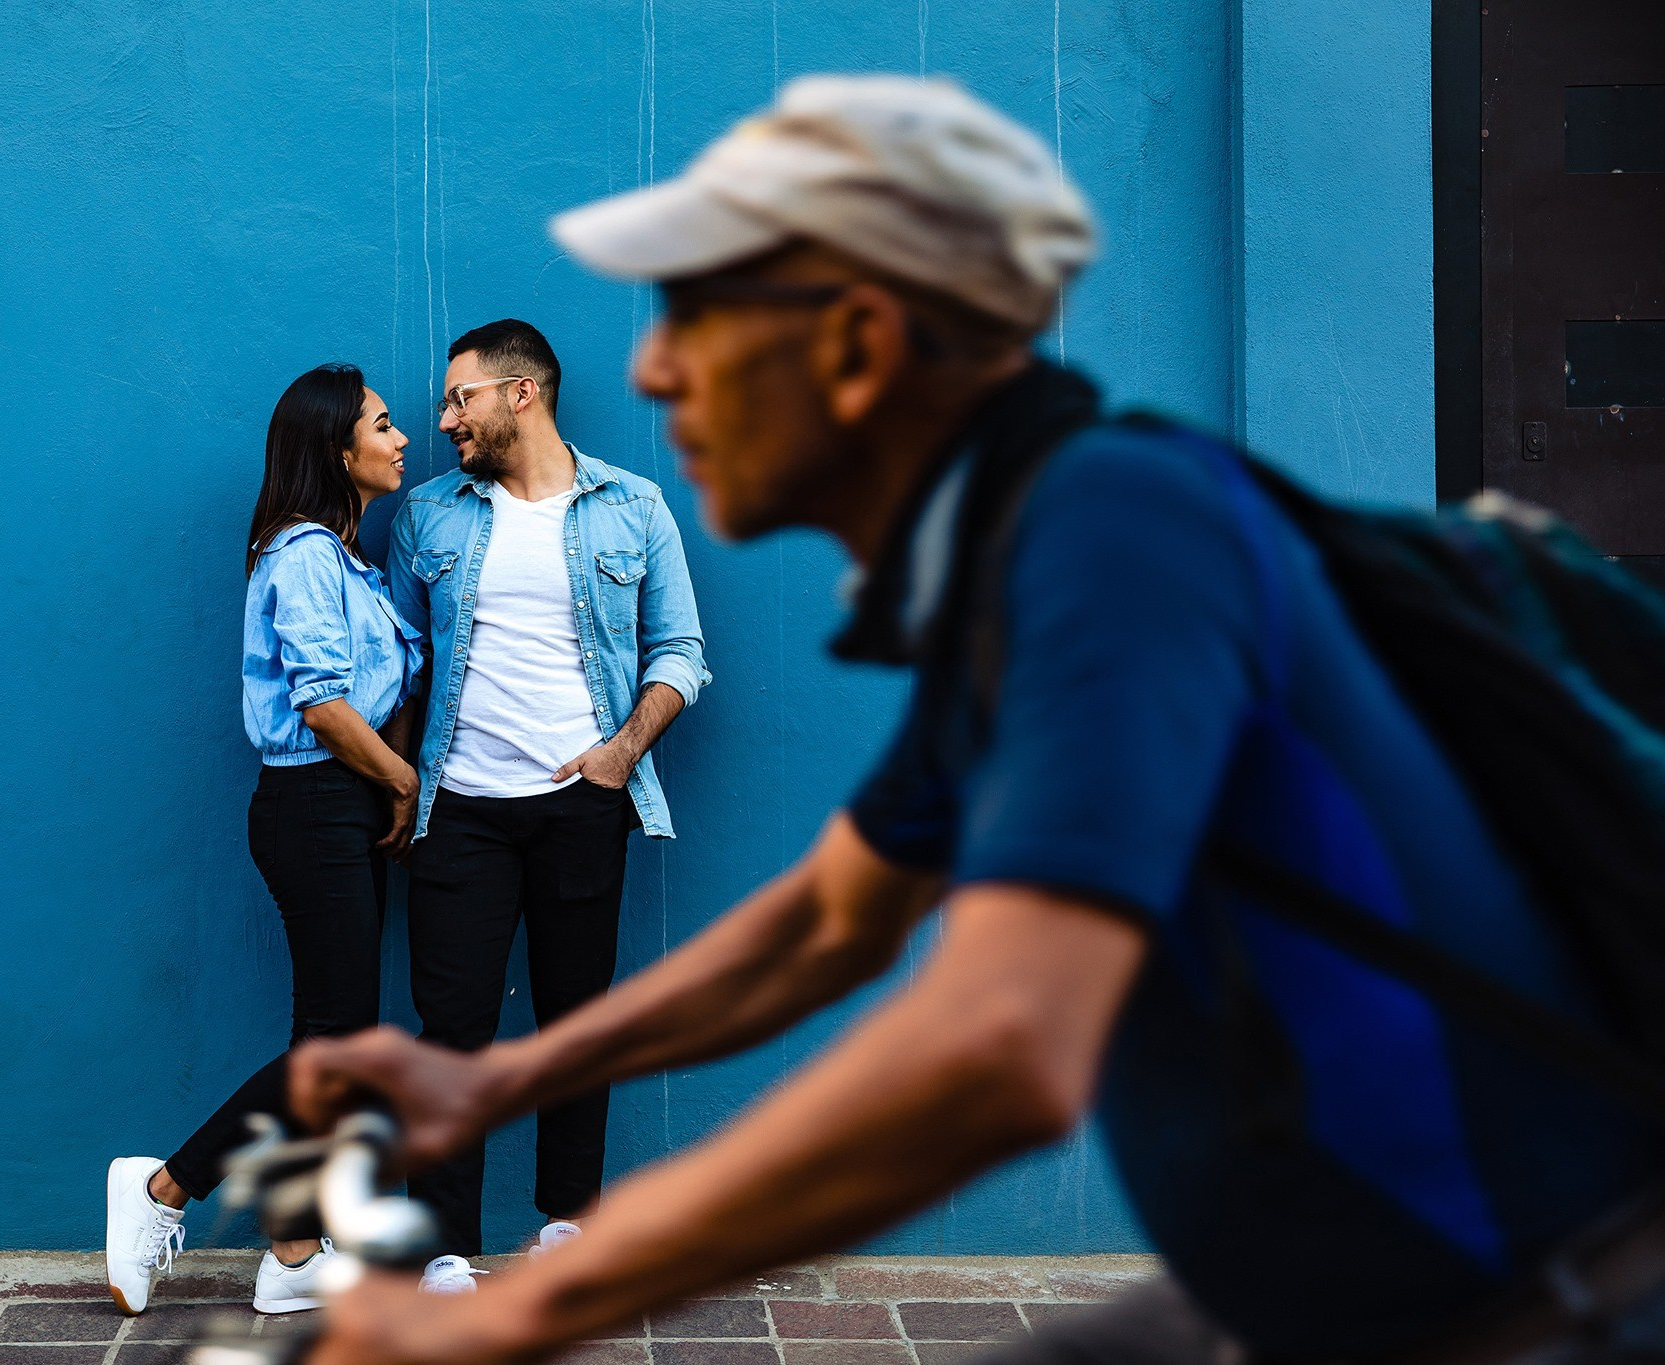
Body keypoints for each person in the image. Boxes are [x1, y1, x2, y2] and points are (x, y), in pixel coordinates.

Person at [289, 76, 1665, 1365]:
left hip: (1538, 1293)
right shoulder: (1015, 569)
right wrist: (506, 1074)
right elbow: (828, 924)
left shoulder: (1112, 534)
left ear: (861, 343)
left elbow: (995, 1054)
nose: (650, 376)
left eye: (698, 318)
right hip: (1331, 1273)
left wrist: (523, 1310)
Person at [383, 318, 709, 1267]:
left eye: (461, 398)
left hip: (581, 804)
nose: (444, 419)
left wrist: (619, 753)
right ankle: (441, 1249)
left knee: (577, 1016)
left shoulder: (634, 507)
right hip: (461, 810)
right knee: (452, 1031)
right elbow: (404, 666)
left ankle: (569, 1222)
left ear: (520, 393)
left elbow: (682, 653)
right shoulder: (429, 515)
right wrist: (403, 782)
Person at [105, 364, 422, 1318]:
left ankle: (290, 1250)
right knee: (337, 1046)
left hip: (342, 806)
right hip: (314, 805)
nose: (403, 436)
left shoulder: (349, 559)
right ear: (339, 450)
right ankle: (165, 1187)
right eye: (383, 422)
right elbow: (324, 706)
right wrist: (404, 780)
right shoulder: (304, 556)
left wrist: (388, 782)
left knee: (330, 1038)